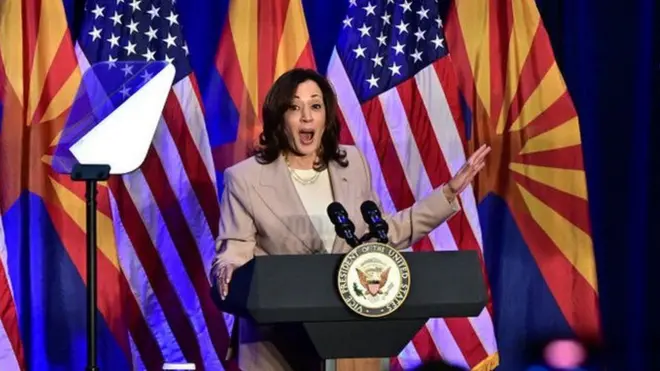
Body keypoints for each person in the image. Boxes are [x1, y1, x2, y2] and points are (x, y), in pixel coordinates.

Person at [210, 68, 491, 371]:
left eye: (315, 106)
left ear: (326, 116)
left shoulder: (352, 163)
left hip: (349, 335)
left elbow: (382, 235)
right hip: (276, 344)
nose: (306, 116)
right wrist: (229, 266)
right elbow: (235, 247)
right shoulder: (245, 178)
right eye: (294, 107)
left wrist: (448, 192)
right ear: (280, 117)